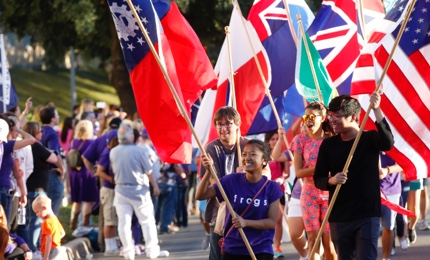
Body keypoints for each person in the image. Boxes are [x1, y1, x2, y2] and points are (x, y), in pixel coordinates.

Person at [314, 93, 394, 260]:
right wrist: (332, 180)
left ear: (353, 117)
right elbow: (318, 179)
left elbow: (388, 142)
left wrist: (377, 109)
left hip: (367, 214)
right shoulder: (328, 145)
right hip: (339, 217)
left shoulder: (369, 138)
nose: (332, 120)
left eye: (337, 116)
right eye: (330, 116)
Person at [196, 139, 283, 259]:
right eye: (244, 154)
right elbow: (200, 195)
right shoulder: (230, 180)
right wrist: (208, 172)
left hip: (261, 249)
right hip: (233, 248)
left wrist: (246, 223)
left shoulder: (272, 187)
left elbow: (272, 222)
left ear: (265, 160)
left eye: (253, 154)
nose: (247, 158)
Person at [110, 123, 168, 260]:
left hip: (121, 190)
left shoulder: (113, 152)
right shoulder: (139, 151)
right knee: (147, 221)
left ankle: (128, 251)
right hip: (139, 191)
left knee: (124, 223)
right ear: (131, 136)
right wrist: (155, 186)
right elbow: (148, 171)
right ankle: (152, 250)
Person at [290, 102, 337, 260]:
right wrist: (321, 167)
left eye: (312, 117)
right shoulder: (300, 140)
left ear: (323, 118)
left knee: (329, 244)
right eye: (305, 117)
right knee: (313, 241)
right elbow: (299, 172)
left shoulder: (332, 140)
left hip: (329, 193)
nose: (308, 120)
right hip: (309, 193)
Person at [199, 106, 247, 260]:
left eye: (228, 123)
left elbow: (266, 172)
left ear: (238, 124)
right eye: (219, 124)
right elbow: (215, 182)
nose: (223, 128)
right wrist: (238, 181)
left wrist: (249, 175)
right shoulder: (212, 148)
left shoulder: (248, 146)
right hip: (219, 212)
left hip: (246, 212)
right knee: (217, 256)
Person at [22, 121, 58, 253]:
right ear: (33, 133)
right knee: (35, 221)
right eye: (39, 131)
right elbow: (53, 158)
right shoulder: (36, 145)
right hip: (37, 189)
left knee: (27, 220)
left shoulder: (26, 145)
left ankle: (29, 247)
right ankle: (32, 248)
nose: (42, 133)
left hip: (29, 187)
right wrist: (50, 151)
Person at [264, 131, 290, 258]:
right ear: (268, 141)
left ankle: (277, 246)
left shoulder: (283, 154)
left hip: (279, 190)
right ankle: (266, 245)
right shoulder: (265, 155)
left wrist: (281, 178)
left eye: (276, 138)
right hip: (265, 191)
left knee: (278, 220)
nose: (274, 141)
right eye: (272, 139)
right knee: (265, 219)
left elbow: (287, 172)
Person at [39, 107, 65, 216]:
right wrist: (62, 169)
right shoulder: (52, 134)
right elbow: (54, 153)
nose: (59, 117)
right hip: (51, 172)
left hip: (39, 173)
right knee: (52, 210)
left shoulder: (38, 130)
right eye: (57, 115)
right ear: (52, 119)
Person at [379, 153, 403, 260]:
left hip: (391, 190)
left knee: (388, 227)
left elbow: (404, 163)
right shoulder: (365, 136)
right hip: (369, 189)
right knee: (368, 227)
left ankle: (386, 257)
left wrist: (387, 170)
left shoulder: (396, 139)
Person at [32, 195, 65, 260]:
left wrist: (46, 256)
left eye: (37, 212)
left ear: (44, 208)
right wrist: (55, 239)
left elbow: (48, 240)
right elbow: (62, 233)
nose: (36, 214)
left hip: (49, 251)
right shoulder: (55, 219)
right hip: (57, 249)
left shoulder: (46, 222)